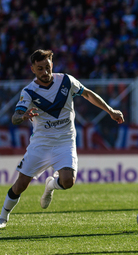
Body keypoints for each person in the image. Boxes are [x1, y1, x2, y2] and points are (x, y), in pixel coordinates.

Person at [0, 49, 124, 229]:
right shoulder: (29, 91)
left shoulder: (66, 80)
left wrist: (111, 111)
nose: (45, 72)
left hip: (65, 141)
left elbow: (87, 93)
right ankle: (3, 217)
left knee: (68, 182)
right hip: (41, 144)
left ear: (52, 65)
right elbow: (15, 117)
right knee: (20, 185)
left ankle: (50, 185)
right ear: (33, 69)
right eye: (40, 69)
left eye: (47, 67)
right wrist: (23, 116)